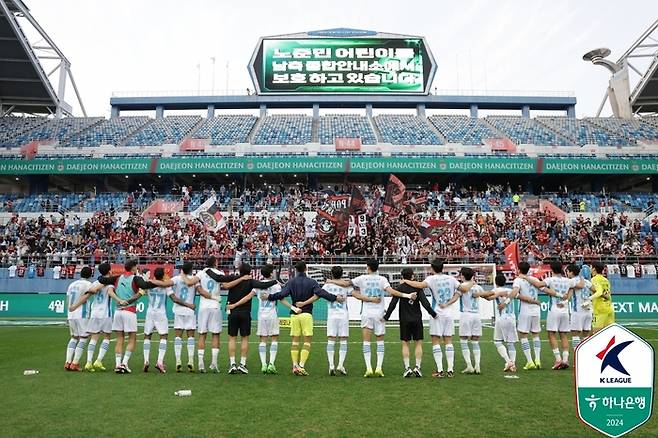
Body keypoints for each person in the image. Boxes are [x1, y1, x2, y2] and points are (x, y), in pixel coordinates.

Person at [326, 259, 417, 378]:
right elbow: (392, 291)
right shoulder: (382, 279)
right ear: (377, 267)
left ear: (368, 267)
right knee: (380, 341)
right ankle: (378, 368)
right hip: (379, 314)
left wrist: (330, 281)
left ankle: (369, 368)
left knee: (366, 342)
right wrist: (407, 295)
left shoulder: (362, 278)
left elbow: (346, 284)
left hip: (366, 313)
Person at [97, 259, 181, 374]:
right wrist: (161, 282)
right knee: (133, 338)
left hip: (118, 311)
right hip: (130, 311)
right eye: (136, 267)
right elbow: (145, 285)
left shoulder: (117, 278)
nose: (137, 269)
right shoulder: (136, 279)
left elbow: (101, 279)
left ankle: (118, 364)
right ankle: (125, 363)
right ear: (132, 268)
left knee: (121, 338)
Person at [267, 261, 344, 376]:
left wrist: (269, 296)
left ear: (296, 270)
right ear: (306, 269)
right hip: (306, 314)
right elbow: (320, 293)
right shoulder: (312, 282)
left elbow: (281, 294)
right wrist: (334, 297)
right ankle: (301, 366)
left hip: (294, 314)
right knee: (307, 341)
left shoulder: (291, 282)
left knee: (295, 341)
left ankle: (294, 365)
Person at [399, 259, 466, 378]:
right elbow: (461, 290)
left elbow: (419, 285)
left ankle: (440, 370)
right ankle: (450, 369)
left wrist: (406, 281)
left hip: (437, 313)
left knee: (436, 341)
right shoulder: (451, 279)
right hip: (449, 313)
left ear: (432, 268)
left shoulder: (431, 279)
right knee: (448, 340)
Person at [228, 264, 293, 374]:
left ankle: (263, 364)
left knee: (262, 340)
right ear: (271, 273)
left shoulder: (257, 285)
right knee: (274, 339)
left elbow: (247, 297)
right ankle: (271, 363)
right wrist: (292, 307)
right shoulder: (276, 285)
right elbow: (281, 298)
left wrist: (235, 305)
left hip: (261, 316)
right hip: (272, 315)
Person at [521, 261, 578, 370]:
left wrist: (525, 277)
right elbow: (576, 286)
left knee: (551, 334)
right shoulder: (568, 280)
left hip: (554, 309)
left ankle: (558, 359)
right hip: (565, 310)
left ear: (551, 270)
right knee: (564, 335)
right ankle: (565, 360)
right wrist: (567, 298)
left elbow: (538, 285)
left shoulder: (550, 279)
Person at [383, 267, 437, 378]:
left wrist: (386, 317)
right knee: (418, 343)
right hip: (417, 319)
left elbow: (393, 303)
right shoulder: (417, 287)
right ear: (412, 276)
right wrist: (433, 313)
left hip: (404, 319)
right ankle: (417, 367)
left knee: (405, 343)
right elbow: (425, 303)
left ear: (402, 276)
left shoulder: (400, 287)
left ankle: (407, 368)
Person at [68, 263, 121, 372]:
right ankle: (98, 360)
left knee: (93, 338)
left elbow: (89, 293)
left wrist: (73, 306)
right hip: (105, 313)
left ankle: (88, 362)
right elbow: (110, 292)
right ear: (109, 271)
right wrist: (118, 299)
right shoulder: (109, 283)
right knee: (107, 337)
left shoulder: (95, 283)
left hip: (94, 313)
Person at [441, 267, 493, 375]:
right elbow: (488, 297)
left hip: (466, 315)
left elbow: (455, 298)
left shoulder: (462, 287)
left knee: (463, 340)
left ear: (463, 276)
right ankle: (477, 365)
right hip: (476, 316)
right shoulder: (477, 287)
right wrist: (483, 294)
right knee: (475, 341)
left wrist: (446, 304)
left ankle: (469, 365)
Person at [143, 268, 195, 373]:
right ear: (162, 276)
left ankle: (146, 360)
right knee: (164, 336)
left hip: (149, 312)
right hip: (160, 313)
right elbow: (174, 299)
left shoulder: (148, 285)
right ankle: (160, 361)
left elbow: (141, 291)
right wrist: (188, 305)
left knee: (147, 336)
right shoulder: (165, 286)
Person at [196, 256, 226, 373]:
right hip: (215, 305)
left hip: (203, 306)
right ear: (215, 263)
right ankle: (214, 363)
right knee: (215, 334)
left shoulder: (200, 273)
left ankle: (201, 363)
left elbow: (197, 287)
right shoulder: (220, 273)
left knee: (202, 334)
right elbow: (225, 285)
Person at [512, 262, 543, 370]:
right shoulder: (534, 279)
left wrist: (513, 297)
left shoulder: (518, 280)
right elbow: (543, 288)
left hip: (525, 310)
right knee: (535, 335)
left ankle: (530, 361)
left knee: (523, 335)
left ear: (519, 270)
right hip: (536, 311)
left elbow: (515, 292)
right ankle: (538, 359)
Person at [486, 273, 518, 373]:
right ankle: (513, 364)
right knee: (511, 343)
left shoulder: (496, 290)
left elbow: (488, 297)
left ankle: (509, 362)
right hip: (512, 318)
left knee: (497, 341)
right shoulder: (511, 291)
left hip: (502, 318)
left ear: (495, 282)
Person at [64, 267, 93, 371]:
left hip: (71, 314)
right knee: (84, 338)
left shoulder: (72, 284)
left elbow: (67, 300)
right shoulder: (89, 285)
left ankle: (68, 362)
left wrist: (68, 313)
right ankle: (75, 363)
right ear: (90, 275)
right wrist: (76, 306)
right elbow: (85, 297)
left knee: (74, 337)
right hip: (82, 313)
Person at [566, 264, 593, 349]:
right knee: (586, 334)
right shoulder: (586, 281)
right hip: (588, 310)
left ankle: (576, 356)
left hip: (577, 311)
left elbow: (568, 295)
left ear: (571, 272)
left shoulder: (572, 281)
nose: (566, 273)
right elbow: (595, 290)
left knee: (575, 334)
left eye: (567, 271)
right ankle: (585, 355)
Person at [590, 262, 615, 332]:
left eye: (591, 267)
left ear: (594, 269)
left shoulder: (594, 279)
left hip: (599, 309)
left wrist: (588, 299)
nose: (590, 269)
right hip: (609, 308)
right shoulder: (606, 280)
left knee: (596, 334)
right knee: (609, 334)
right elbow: (608, 295)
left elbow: (599, 292)